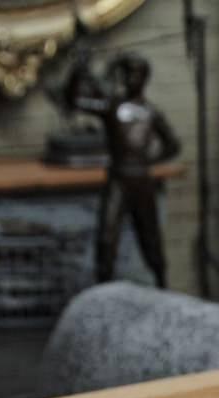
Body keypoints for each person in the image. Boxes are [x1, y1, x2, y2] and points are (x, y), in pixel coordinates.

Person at [66, 50, 181, 287]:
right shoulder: (113, 107)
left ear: (144, 78)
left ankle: (162, 283)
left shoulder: (151, 112)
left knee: (150, 237)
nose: (129, 79)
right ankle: (102, 287)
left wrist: (150, 159)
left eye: (135, 74)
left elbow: (173, 145)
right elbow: (76, 102)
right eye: (127, 74)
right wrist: (78, 72)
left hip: (142, 180)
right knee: (107, 237)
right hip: (118, 179)